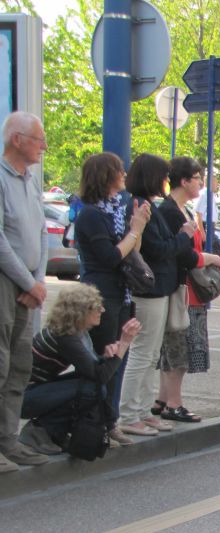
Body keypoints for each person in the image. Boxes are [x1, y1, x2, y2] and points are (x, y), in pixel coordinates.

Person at [118, 153, 203, 437]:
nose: (166, 181)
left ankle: (142, 411)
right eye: (163, 176)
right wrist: (184, 235)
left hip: (159, 288)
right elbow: (159, 249)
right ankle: (130, 414)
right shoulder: (141, 206)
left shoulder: (148, 206)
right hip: (149, 289)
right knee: (143, 353)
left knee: (151, 353)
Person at [74, 152, 151, 447]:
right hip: (101, 294)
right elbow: (109, 257)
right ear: (106, 176)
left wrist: (137, 227)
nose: (124, 174)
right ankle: (97, 423)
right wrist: (134, 230)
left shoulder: (114, 211)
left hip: (122, 292)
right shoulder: (92, 215)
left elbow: (132, 250)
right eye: (119, 170)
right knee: (107, 355)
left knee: (121, 356)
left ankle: (111, 420)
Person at [20, 284, 142, 454]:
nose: (103, 310)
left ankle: (54, 433)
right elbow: (100, 377)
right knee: (91, 389)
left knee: (90, 385)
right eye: (97, 307)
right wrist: (123, 345)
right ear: (81, 311)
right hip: (24, 397)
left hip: (32, 391)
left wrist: (105, 358)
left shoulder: (75, 332)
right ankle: (39, 431)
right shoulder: (66, 337)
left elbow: (94, 369)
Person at [154, 156, 220, 423]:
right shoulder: (171, 211)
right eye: (197, 178)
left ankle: (162, 400)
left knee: (176, 346)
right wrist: (207, 258)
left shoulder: (181, 209)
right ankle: (173, 403)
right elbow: (180, 253)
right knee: (178, 347)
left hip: (187, 288)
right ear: (184, 181)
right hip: (182, 289)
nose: (201, 183)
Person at [0, 111, 50, 470]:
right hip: (8, 283)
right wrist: (27, 281)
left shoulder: (31, 180)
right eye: (38, 139)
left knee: (19, 365)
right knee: (1, 365)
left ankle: (8, 440)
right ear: (16, 139)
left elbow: (40, 234)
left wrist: (40, 281)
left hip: (28, 285)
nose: (43, 146)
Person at [194, 173, 219, 239]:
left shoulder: (210, 195)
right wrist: (202, 232)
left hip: (210, 226)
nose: (217, 185)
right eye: (216, 182)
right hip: (205, 226)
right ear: (211, 182)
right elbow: (198, 214)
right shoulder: (205, 194)